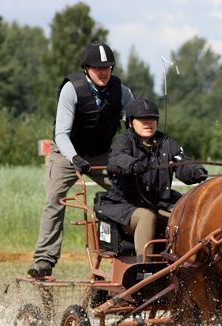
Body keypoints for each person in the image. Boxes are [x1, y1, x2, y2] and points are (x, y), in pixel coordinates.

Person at [28, 41, 134, 277]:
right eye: (98, 67)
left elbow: (132, 129)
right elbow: (61, 134)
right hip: (66, 152)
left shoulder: (122, 92)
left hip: (102, 153)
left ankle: (131, 254)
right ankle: (44, 260)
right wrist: (74, 158)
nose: (104, 72)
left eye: (108, 67)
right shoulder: (71, 89)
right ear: (86, 68)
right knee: (54, 197)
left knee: (131, 191)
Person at [94, 97, 208, 261]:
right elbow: (116, 160)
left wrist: (196, 171)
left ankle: (187, 262)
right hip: (126, 207)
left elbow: (182, 164)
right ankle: (144, 266)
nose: (148, 122)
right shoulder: (124, 140)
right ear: (131, 122)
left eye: (152, 118)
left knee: (185, 213)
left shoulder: (167, 142)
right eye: (142, 119)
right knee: (147, 216)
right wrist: (132, 165)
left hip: (160, 203)